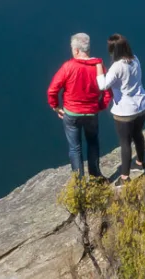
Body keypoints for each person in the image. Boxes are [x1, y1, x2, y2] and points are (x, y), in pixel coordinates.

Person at [47, 33, 111, 179]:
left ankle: (79, 183)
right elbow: (108, 90)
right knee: (93, 143)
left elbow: (52, 90)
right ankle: (95, 176)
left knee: (75, 148)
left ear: (76, 50)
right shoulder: (98, 66)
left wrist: (55, 106)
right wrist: (100, 105)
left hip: (71, 114)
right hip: (91, 113)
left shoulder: (68, 67)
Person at [94, 34, 145, 182]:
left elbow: (103, 85)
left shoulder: (117, 66)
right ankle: (140, 163)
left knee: (125, 142)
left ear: (114, 50)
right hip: (141, 106)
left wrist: (99, 68)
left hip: (125, 112)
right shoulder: (135, 59)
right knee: (138, 135)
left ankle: (124, 177)